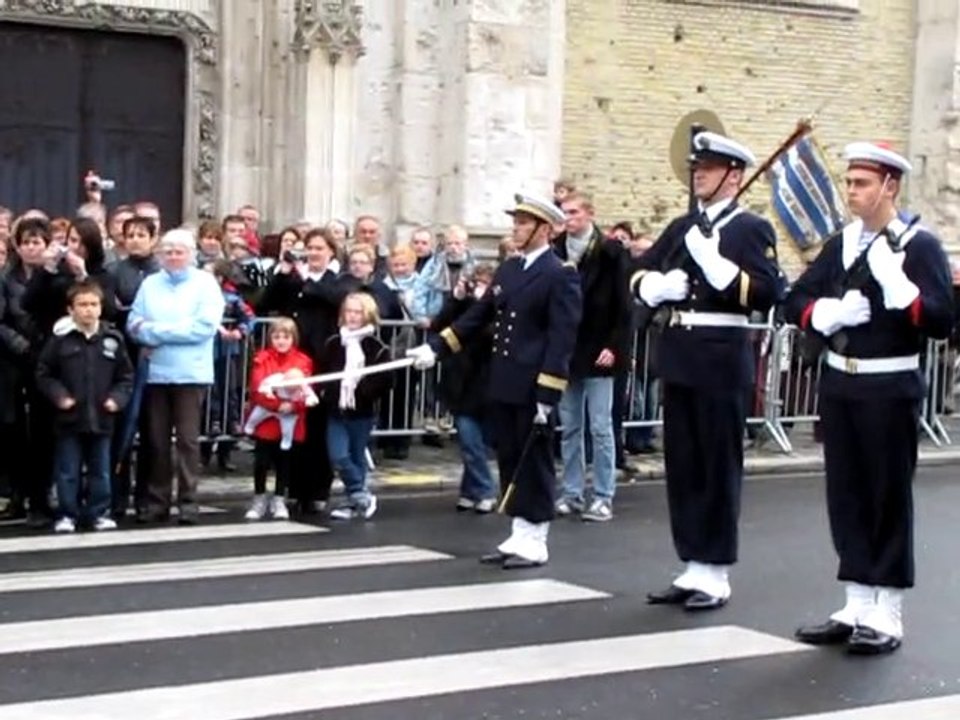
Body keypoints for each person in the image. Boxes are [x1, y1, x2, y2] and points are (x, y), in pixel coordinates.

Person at [784, 142, 953, 655]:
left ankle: (888, 612)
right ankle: (856, 601)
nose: (852, 192)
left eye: (862, 183)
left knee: (886, 497)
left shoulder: (918, 246)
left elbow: (944, 318)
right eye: (850, 182)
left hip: (888, 386)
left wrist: (903, 290)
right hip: (841, 384)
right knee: (847, 495)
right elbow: (795, 298)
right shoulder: (842, 245)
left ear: (889, 187)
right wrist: (825, 313)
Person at [629, 131, 782, 610]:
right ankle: (692, 564)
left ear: (733, 177)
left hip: (720, 358)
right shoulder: (681, 227)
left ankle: (716, 572)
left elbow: (766, 292)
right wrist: (654, 285)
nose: (699, 174)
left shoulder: (750, 229)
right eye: (697, 168)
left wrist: (719, 269)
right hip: (680, 355)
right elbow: (637, 273)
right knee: (684, 465)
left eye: (710, 169)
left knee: (716, 467)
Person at [407, 192, 581, 568]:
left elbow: (561, 337)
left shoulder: (559, 274)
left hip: (535, 384)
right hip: (504, 381)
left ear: (545, 229)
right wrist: (436, 348)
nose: (515, 228)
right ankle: (519, 532)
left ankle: (537, 539)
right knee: (510, 456)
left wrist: (548, 392)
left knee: (533, 462)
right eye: (515, 221)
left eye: (523, 222)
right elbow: (477, 317)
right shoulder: (510, 270)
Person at [127, 228, 224, 525]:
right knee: (155, 440)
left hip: (190, 372)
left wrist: (157, 331)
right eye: (167, 251)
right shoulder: (150, 284)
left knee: (187, 441)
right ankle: (158, 502)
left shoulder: (206, 284)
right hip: (156, 371)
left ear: (191, 254)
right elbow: (133, 323)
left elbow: (203, 328)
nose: (173, 256)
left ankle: (188, 501)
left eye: (179, 251)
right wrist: (167, 329)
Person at [552, 191, 629, 522]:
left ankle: (603, 494)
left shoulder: (610, 251)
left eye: (573, 212)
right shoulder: (556, 250)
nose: (568, 218)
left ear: (589, 214)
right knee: (569, 425)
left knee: (600, 426)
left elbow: (623, 305)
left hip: (600, 348)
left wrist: (614, 346)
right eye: (564, 213)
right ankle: (571, 492)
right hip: (568, 349)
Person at [35, 281, 133, 533]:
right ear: (71, 309)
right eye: (82, 305)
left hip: (101, 417)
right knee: (68, 469)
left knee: (101, 469)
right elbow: (45, 373)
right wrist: (59, 397)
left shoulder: (112, 339)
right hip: (69, 418)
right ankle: (68, 513)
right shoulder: (61, 341)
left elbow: (125, 376)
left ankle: (99, 511)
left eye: (93, 304)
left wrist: (117, 399)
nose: (88, 310)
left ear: (101, 308)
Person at [321, 292, 393, 520]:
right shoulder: (334, 342)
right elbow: (324, 372)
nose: (352, 316)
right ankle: (360, 494)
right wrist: (328, 392)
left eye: (358, 312)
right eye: (349, 311)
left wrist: (363, 392)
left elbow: (385, 380)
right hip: (336, 409)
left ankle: (352, 501)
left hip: (361, 411)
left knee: (356, 456)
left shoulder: (376, 346)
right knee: (338, 456)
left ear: (368, 315)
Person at [244, 318, 316, 521]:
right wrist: (277, 405)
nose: (281, 341)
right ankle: (259, 498)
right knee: (261, 461)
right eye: (276, 336)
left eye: (286, 336)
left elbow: (307, 389)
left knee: (285, 461)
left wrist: (293, 405)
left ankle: (279, 498)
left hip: (291, 420)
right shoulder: (262, 358)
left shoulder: (303, 361)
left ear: (294, 338)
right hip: (266, 421)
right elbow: (258, 389)